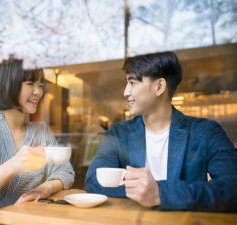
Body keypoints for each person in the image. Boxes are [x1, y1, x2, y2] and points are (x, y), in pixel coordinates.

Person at [85, 51, 237, 212]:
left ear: (159, 87)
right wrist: (144, 192)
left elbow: (232, 188)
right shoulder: (117, 133)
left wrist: (160, 193)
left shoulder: (206, 132)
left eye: (133, 83)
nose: (125, 92)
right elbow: (94, 181)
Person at [0, 57, 75, 224]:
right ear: (6, 83)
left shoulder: (41, 131)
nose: (38, 92)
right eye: (30, 84)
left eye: (41, 85)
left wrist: (43, 189)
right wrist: (13, 166)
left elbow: (66, 172)